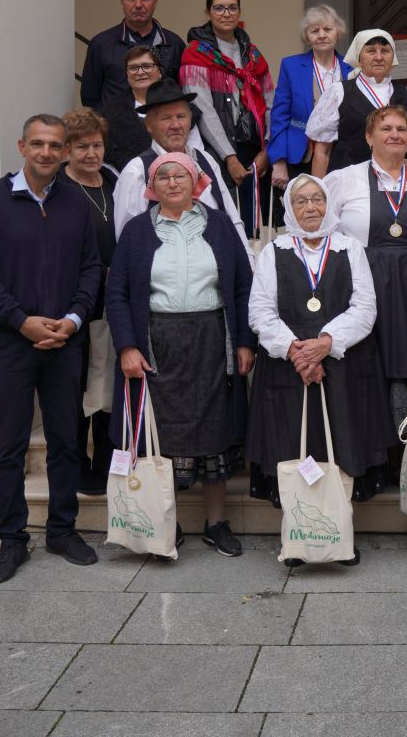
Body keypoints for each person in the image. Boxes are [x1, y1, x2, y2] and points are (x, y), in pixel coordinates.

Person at [0, 115, 101, 583]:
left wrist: (73, 319)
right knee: (10, 445)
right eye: (38, 144)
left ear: (65, 152)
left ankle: (62, 531)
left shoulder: (77, 204)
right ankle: (12, 540)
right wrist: (22, 322)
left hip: (66, 341)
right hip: (9, 343)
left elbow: (91, 269)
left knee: (66, 441)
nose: (46, 152)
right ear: (22, 146)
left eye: (55, 145)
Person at [108, 152, 256, 557]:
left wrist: (244, 341)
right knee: (161, 436)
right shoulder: (137, 232)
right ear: (151, 188)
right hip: (157, 342)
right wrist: (127, 346)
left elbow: (243, 286)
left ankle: (216, 524)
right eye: (164, 176)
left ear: (197, 183)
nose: (173, 182)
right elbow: (117, 294)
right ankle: (161, 522)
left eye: (181, 175)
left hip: (212, 340)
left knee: (216, 431)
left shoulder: (221, 226)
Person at [247, 175, 392, 527]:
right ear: (290, 208)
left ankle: (338, 530)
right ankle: (299, 533)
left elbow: (364, 308)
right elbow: (260, 310)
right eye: (301, 201)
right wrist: (295, 350)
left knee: (338, 446)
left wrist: (326, 343)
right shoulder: (273, 252)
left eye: (317, 199)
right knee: (292, 448)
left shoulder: (349, 248)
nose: (310, 207)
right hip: (288, 369)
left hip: (342, 367)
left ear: (328, 204)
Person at [324, 103, 407, 438]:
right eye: (386, 128)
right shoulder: (342, 180)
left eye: (402, 129)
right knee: (367, 363)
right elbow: (324, 238)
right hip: (360, 286)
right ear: (368, 136)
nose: (395, 135)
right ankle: (373, 454)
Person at [178, 0, 273, 229]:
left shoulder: (253, 55)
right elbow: (202, 109)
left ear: (240, 12)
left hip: (255, 154)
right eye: (219, 8)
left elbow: (271, 103)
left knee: (257, 227)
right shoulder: (195, 54)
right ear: (208, 12)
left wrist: (268, 150)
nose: (226, 13)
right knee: (224, 223)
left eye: (232, 8)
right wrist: (229, 157)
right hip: (217, 153)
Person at [60, 108, 119, 496]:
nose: (91, 154)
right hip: (73, 299)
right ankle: (77, 462)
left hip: (112, 297)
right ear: (67, 150)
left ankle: (106, 461)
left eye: (96, 145)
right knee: (77, 383)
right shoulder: (60, 188)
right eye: (82, 146)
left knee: (108, 380)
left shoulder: (112, 179)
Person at [113, 78, 247, 245]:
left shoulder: (205, 160)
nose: (175, 125)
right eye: (166, 118)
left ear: (190, 119)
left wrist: (247, 263)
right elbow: (127, 239)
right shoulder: (137, 171)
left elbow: (232, 219)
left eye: (181, 116)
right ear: (148, 124)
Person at [309, 29, 407, 177]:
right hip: (350, 185)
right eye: (371, 51)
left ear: (393, 57)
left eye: (385, 51)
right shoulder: (338, 93)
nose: (379, 57)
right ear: (359, 57)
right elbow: (323, 150)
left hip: (398, 184)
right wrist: (319, 193)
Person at [80, 0, 183, 111]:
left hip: (162, 128)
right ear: (122, 1)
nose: (138, 5)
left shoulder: (174, 44)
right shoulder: (100, 44)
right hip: (114, 129)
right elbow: (90, 98)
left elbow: (181, 92)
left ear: (155, 2)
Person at [271, 5, 348, 192]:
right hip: (301, 155)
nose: (322, 35)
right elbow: (279, 116)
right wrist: (278, 161)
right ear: (307, 36)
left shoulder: (352, 70)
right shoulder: (291, 66)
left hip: (342, 155)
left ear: (338, 33)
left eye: (327, 29)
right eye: (315, 31)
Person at [100, 45, 204, 173]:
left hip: (182, 177)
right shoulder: (112, 113)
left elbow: (196, 152)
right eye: (133, 68)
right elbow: (109, 160)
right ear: (126, 74)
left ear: (160, 71)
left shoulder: (182, 106)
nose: (140, 72)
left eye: (147, 66)